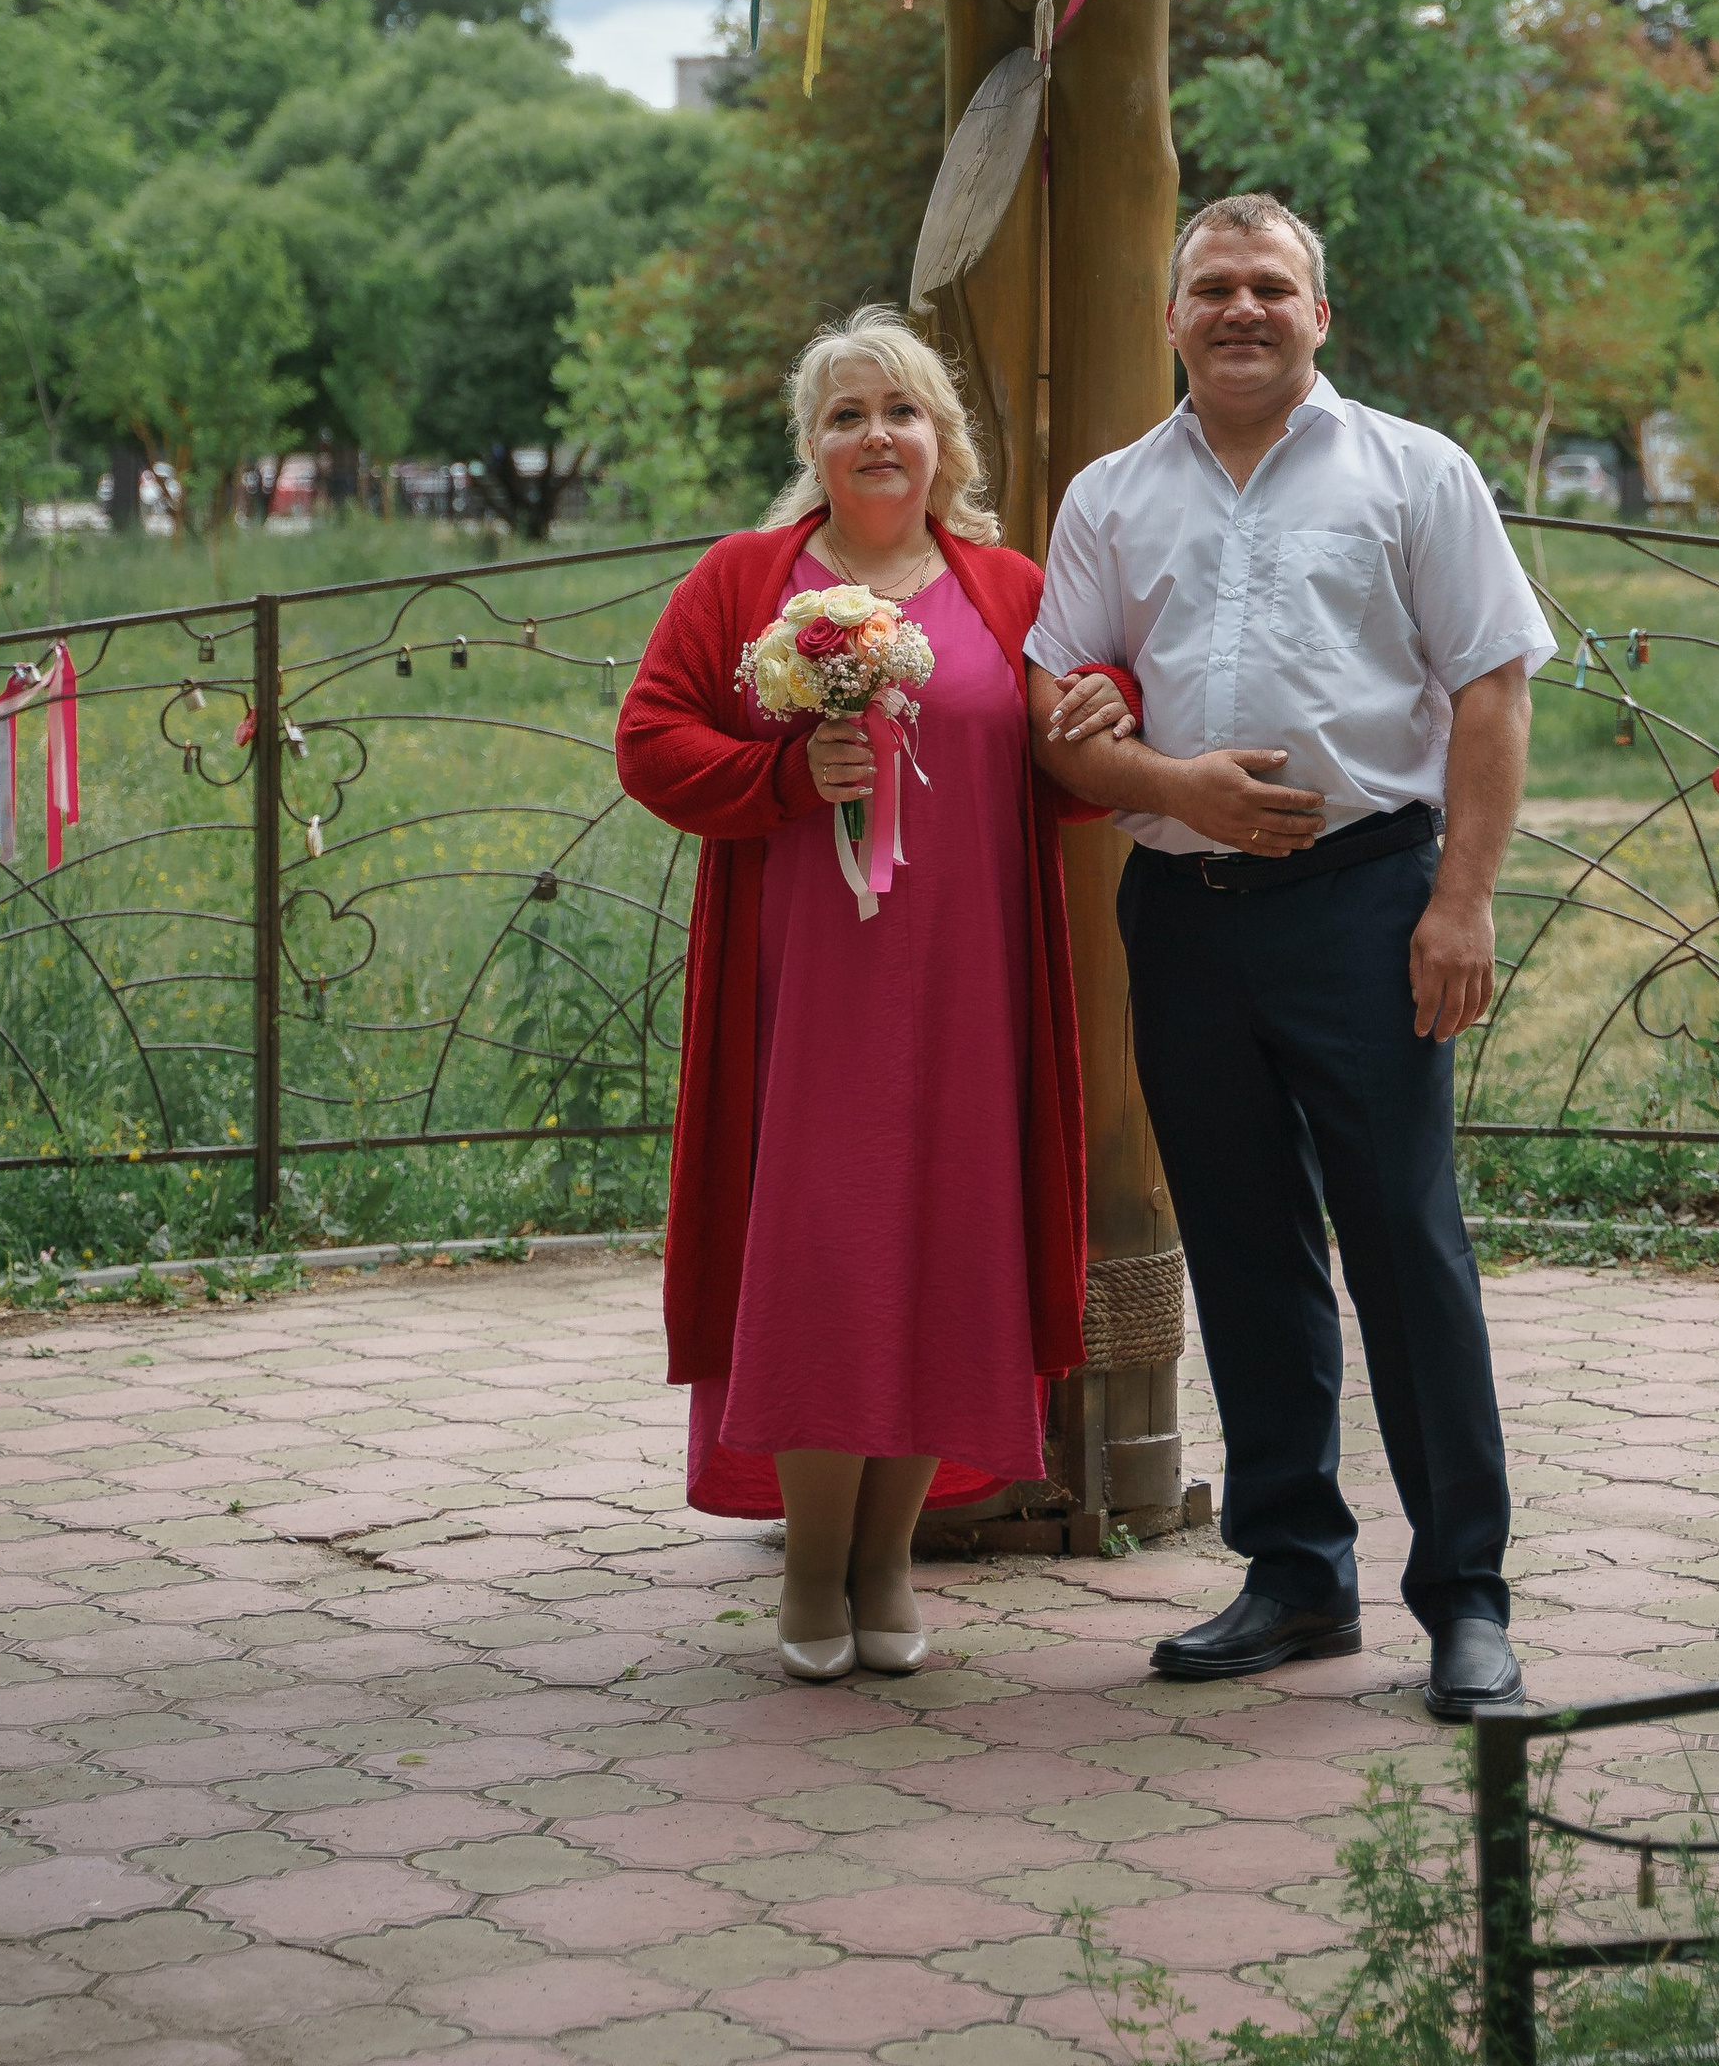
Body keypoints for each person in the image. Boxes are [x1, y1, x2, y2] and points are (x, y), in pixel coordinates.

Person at [1028, 192, 1552, 1716]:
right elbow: (1062, 719)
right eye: (1213, 287)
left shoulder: (1415, 472)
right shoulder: (1112, 497)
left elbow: (1493, 690)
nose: (1241, 308)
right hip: (1184, 917)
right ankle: (1297, 1576)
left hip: (1366, 907)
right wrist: (1168, 787)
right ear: (1172, 316)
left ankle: (1465, 1599)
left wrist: (1462, 904)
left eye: (1270, 285)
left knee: (1405, 1247)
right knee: (1246, 1251)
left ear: (1321, 313)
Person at [617, 311, 1112, 1682]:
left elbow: (1070, 747)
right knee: (823, 1258)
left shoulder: (1009, 588)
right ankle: (811, 1568)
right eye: (847, 415)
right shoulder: (743, 579)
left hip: (969, 990)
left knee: (945, 1253)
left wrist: (1110, 701)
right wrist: (781, 777)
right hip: (806, 1002)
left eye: (901, 411)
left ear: (942, 438)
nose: (877, 435)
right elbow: (651, 741)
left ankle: (890, 1561)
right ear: (813, 445)